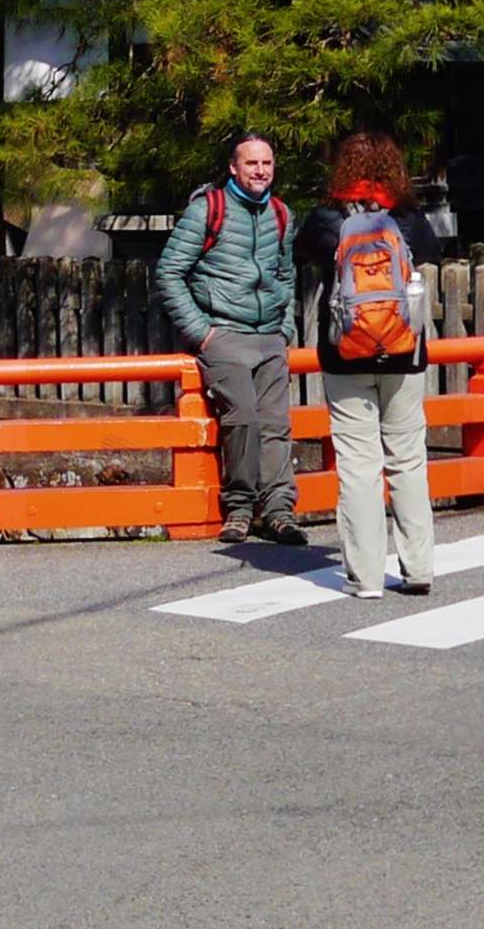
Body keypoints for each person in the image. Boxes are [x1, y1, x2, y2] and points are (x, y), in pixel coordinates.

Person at [304, 131, 438, 601]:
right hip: (405, 354)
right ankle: (418, 567)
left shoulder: (325, 218)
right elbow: (429, 255)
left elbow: (306, 258)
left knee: (359, 465)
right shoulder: (407, 218)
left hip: (345, 355)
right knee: (408, 460)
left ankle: (365, 577)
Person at [162, 133, 301, 545]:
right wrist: (202, 333)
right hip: (223, 332)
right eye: (252, 164)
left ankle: (279, 511)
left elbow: (287, 275)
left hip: (269, 335)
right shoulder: (208, 210)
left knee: (276, 425)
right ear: (233, 168)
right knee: (243, 418)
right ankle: (240, 508)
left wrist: (285, 328)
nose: (260, 171)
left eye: (267, 164)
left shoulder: (281, 214)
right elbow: (169, 272)